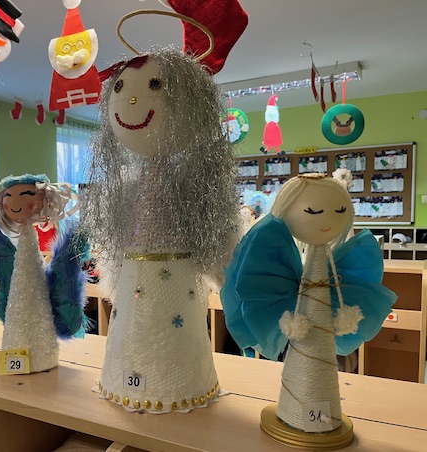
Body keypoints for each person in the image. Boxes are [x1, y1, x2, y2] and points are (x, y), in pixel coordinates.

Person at [80, 47, 239, 413]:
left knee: (176, 333)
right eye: (121, 88)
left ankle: (179, 385)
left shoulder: (198, 184)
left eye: (153, 86)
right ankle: (129, 381)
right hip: (135, 277)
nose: (133, 100)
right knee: (134, 324)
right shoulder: (125, 188)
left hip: (179, 282)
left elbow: (220, 239)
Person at [221, 173, 396, 431]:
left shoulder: (330, 262)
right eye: (313, 211)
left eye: (339, 210)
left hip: (319, 336)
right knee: (306, 358)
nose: (326, 220)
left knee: (319, 360)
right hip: (300, 356)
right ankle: (306, 415)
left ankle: (315, 418)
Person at [0, 173, 87, 372]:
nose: (14, 202)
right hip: (14, 345)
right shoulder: (22, 243)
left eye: (26, 195)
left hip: (44, 354)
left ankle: (38, 358)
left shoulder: (33, 237)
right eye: (8, 196)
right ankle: (22, 360)